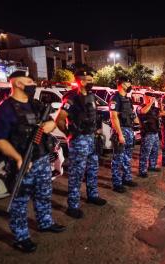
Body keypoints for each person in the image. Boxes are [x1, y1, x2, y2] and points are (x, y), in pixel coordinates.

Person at [0, 70, 65, 253]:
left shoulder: (36, 105)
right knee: (20, 201)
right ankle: (21, 237)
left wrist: (47, 126)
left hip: (41, 159)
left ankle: (45, 222)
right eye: (29, 80)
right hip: (21, 163)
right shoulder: (3, 109)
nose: (33, 83)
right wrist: (18, 158)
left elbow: (51, 124)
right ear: (17, 83)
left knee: (44, 194)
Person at [55, 70, 107, 220]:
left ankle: (92, 195)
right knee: (76, 173)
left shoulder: (91, 96)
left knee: (93, 168)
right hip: (79, 139)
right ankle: (73, 205)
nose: (92, 82)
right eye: (89, 80)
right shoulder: (71, 98)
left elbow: (94, 116)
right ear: (81, 81)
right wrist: (69, 135)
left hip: (91, 138)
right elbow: (59, 120)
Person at [109, 76, 138, 193]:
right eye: (128, 82)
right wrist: (120, 134)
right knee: (118, 158)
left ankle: (127, 178)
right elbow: (114, 117)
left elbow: (132, 115)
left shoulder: (127, 99)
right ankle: (117, 183)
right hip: (120, 130)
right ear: (121, 84)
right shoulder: (115, 98)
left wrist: (141, 124)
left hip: (129, 130)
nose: (130, 85)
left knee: (127, 157)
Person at [136, 92, 161, 178]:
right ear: (145, 97)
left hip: (155, 132)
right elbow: (143, 111)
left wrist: (158, 103)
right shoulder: (141, 106)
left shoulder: (154, 108)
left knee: (155, 151)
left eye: (152, 97)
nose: (152, 99)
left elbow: (160, 113)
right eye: (150, 97)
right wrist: (150, 102)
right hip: (147, 133)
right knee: (145, 152)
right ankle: (142, 170)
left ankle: (152, 166)